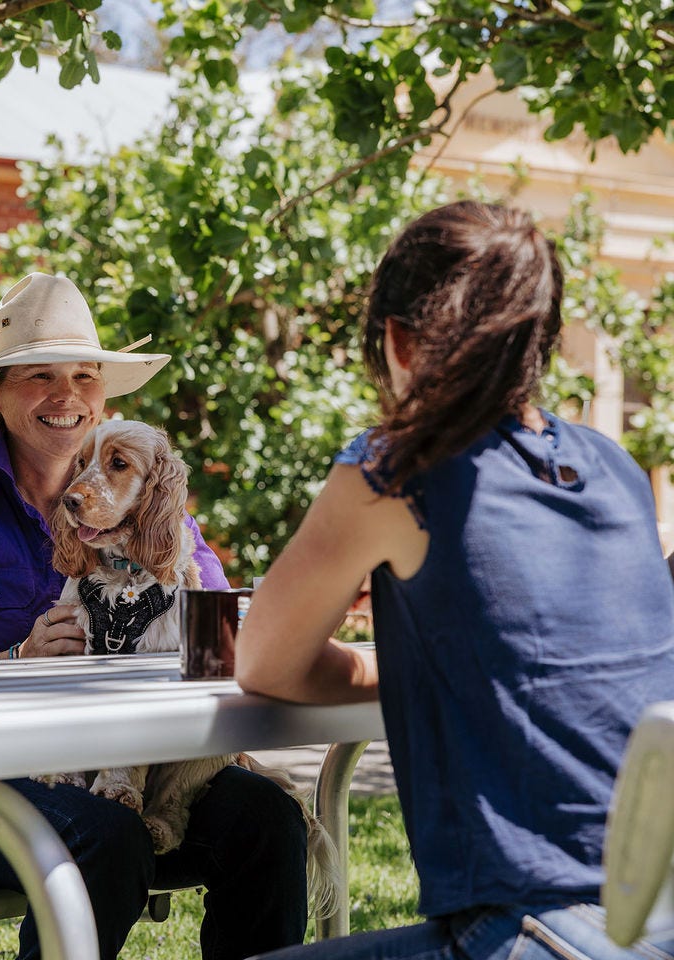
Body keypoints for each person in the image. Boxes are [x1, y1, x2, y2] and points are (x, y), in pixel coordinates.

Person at [235, 201, 674, 960]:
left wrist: (382, 662)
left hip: (539, 930)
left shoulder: (394, 467)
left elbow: (265, 663)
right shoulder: (618, 470)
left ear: (399, 341)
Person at [0, 272, 310, 960]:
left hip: (127, 774)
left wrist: (235, 648)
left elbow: (218, 629)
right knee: (106, 832)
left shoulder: (146, 497)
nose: (66, 396)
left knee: (268, 819)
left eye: (83, 375)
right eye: (38, 375)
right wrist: (13, 661)